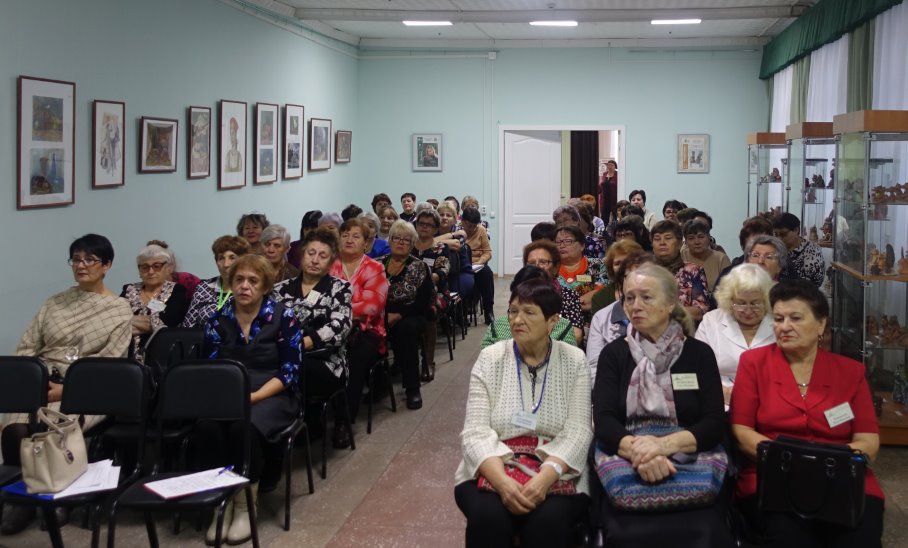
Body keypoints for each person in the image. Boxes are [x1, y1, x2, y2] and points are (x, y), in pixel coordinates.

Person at [730, 280, 883, 547]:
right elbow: (742, 431)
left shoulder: (850, 371)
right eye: (778, 319)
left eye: (796, 318)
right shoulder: (754, 364)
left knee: (859, 538)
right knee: (788, 538)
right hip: (774, 476)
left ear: (821, 324)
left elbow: (868, 440)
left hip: (840, 478)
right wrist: (793, 462)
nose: (784, 326)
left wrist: (830, 465)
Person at [1, 234, 132, 536]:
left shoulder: (119, 309)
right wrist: (31, 382)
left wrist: (67, 389)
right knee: (15, 430)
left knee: (51, 429)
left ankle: (59, 495)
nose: (81, 265)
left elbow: (110, 363)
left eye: (90, 260)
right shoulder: (54, 302)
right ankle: (22, 499)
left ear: (107, 265)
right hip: (41, 383)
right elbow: (27, 346)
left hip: (88, 390)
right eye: (76, 259)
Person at [592, 262, 731, 547]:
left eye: (646, 297)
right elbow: (604, 421)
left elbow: (714, 422)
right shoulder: (614, 355)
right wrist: (642, 452)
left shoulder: (699, 354)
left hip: (692, 460)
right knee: (624, 533)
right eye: (629, 298)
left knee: (707, 531)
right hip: (627, 460)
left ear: (670, 304)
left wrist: (663, 446)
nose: (635, 306)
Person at [455, 279, 592, 548]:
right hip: (494, 464)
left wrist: (544, 478)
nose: (517, 320)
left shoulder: (574, 360)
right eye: (513, 311)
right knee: (488, 517)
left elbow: (579, 430)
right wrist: (502, 483)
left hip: (557, 467)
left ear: (552, 321)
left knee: (547, 522)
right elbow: (474, 431)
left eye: (529, 312)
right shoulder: (490, 358)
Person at [199, 254, 302, 545]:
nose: (245, 286)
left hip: (273, 392)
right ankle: (221, 503)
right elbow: (209, 368)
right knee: (207, 426)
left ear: (265, 286)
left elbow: (290, 370)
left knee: (243, 426)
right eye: (239, 280)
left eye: (253, 281)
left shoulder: (283, 317)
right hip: (228, 392)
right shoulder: (218, 320)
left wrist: (254, 396)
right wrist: (230, 397)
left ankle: (245, 506)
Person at [274, 228, 353, 448]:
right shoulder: (280, 289)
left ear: (331, 262)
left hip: (327, 361)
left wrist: (302, 343)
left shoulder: (340, 288)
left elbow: (341, 326)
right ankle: (283, 424)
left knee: (298, 367)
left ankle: (313, 420)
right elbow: (270, 324)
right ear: (302, 255)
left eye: (322, 255)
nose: (315, 260)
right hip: (285, 357)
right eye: (311, 253)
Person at [330, 218, 389, 423]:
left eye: (356, 236)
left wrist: (335, 312)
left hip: (366, 331)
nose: (349, 240)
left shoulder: (375, 268)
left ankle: (344, 421)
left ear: (365, 243)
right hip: (332, 331)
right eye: (345, 235)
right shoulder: (330, 266)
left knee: (353, 359)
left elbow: (370, 308)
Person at [695, 264, 775, 405]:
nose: (748, 310)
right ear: (729, 300)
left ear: (766, 301)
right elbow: (697, 369)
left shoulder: (778, 321)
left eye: (755, 303)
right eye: (741, 303)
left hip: (771, 400)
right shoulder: (711, 321)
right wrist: (721, 392)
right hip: (721, 401)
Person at [380, 220, 436, 409]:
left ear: (412, 244)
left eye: (406, 240)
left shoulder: (419, 266)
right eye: (397, 238)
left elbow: (423, 302)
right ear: (390, 240)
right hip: (380, 314)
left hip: (411, 314)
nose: (401, 242)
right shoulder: (377, 264)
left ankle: (412, 388)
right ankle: (378, 384)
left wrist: (399, 314)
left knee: (406, 329)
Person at [585, 251, 655, 383]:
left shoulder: (664, 313)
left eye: (642, 275)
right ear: (621, 281)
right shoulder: (602, 317)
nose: (635, 282)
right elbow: (594, 368)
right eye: (629, 276)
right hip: (613, 388)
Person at [120, 243, 189, 363]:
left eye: (157, 266)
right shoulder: (129, 289)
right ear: (139, 270)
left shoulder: (177, 291)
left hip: (161, 358)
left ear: (167, 268)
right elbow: (115, 319)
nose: (150, 271)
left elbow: (168, 321)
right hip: (126, 357)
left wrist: (127, 322)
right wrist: (151, 324)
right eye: (145, 267)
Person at [412, 208, 450, 377]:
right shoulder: (409, 245)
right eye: (421, 223)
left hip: (435, 292)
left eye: (429, 225)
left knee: (429, 310)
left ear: (435, 229)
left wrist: (422, 282)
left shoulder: (441, 248)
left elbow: (441, 273)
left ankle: (428, 362)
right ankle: (402, 361)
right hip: (409, 292)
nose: (424, 227)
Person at [182, 235, 251, 328]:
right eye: (221, 258)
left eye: (232, 258)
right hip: (202, 336)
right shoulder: (203, 288)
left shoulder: (249, 289)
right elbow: (187, 327)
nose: (226, 264)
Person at [650, 220, 711, 322]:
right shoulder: (644, 272)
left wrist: (666, 311)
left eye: (668, 238)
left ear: (679, 243)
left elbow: (700, 311)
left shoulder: (693, 271)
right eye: (657, 239)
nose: (662, 243)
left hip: (684, 328)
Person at [554, 224, 608, 325]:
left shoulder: (596, 264)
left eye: (568, 241)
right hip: (559, 323)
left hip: (594, 322)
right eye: (558, 242)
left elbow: (602, 292)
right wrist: (579, 302)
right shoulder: (551, 268)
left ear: (582, 246)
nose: (562, 246)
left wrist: (567, 303)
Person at [590, 239, 643, 316]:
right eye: (618, 263)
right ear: (611, 268)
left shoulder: (655, 289)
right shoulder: (600, 297)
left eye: (628, 261)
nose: (623, 267)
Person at [462, 207, 496, 325]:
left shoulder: (481, 230)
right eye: (468, 226)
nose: (471, 229)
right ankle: (462, 313)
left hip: (477, 264)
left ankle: (489, 310)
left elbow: (488, 252)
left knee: (487, 273)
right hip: (463, 265)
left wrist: (480, 262)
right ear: (462, 221)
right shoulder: (456, 230)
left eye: (474, 226)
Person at [773, 212, 825, 288]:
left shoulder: (812, 255)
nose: (779, 239)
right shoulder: (777, 248)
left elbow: (809, 288)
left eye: (783, 234)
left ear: (796, 230)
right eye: (776, 235)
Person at [681, 220, 730, 291]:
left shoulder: (721, 259)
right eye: (691, 238)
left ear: (709, 238)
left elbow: (730, 289)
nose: (697, 242)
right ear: (685, 241)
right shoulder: (681, 256)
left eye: (701, 237)